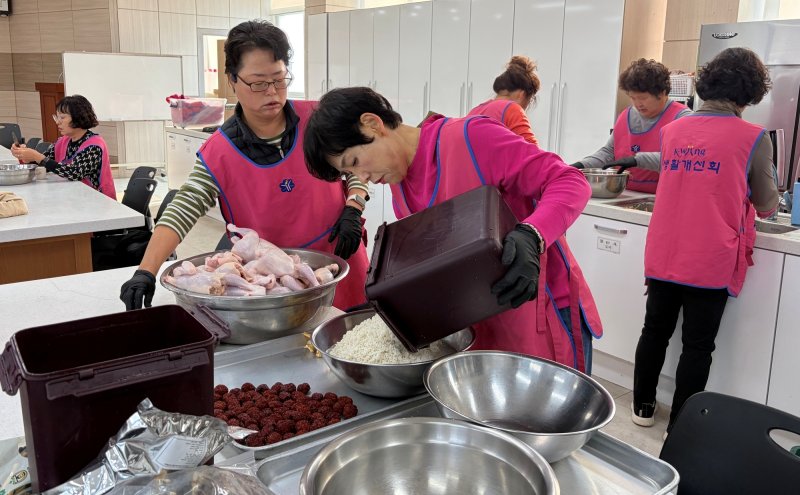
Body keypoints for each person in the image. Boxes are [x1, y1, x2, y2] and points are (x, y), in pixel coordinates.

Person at [303, 86, 604, 373]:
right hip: (483, 328)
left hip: (542, 315)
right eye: (350, 173)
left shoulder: (471, 138)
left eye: (355, 161)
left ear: (372, 124)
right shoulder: (400, 188)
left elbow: (570, 182)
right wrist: (394, 303)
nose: (363, 177)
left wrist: (531, 234)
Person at [119, 20, 371, 311]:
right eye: (258, 83)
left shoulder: (316, 119)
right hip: (275, 288)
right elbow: (184, 206)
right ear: (232, 80)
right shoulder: (219, 152)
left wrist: (354, 206)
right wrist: (146, 270)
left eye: (279, 79)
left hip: (340, 262)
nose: (272, 92)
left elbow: (357, 164)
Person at [631, 47, 779, 435]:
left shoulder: (673, 131)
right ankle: (680, 424)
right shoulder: (754, 138)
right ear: (749, 92)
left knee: (654, 331)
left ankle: (642, 407)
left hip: (664, 250)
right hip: (710, 257)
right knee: (697, 346)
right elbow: (767, 205)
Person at [572, 59, 691, 193]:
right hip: (626, 193)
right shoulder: (626, 115)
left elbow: (680, 159)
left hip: (662, 195)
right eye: (633, 98)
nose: (637, 104)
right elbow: (608, 153)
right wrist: (579, 166)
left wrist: (637, 160)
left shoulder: (683, 118)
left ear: (662, 93)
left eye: (643, 98)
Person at [11, 95, 116, 200]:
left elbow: (74, 173)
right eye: (56, 117)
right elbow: (45, 165)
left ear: (78, 117)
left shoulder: (94, 145)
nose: (57, 122)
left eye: (62, 117)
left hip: (98, 200)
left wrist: (37, 156)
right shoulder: (63, 141)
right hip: (73, 197)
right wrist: (25, 155)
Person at [467, 55, 540, 145]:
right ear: (522, 94)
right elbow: (533, 150)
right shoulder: (512, 109)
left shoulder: (474, 111)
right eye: (529, 101)